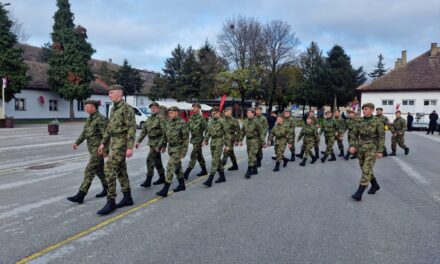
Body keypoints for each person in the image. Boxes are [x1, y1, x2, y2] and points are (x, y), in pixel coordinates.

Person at [97, 85, 136, 215]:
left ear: (119, 94)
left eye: (111, 93)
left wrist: (130, 147)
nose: (109, 95)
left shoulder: (127, 108)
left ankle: (111, 201)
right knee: (121, 171)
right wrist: (103, 143)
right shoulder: (113, 109)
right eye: (109, 93)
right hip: (114, 142)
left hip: (122, 144)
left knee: (108, 169)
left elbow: (131, 127)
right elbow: (109, 128)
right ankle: (127, 197)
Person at [67, 100, 108, 204]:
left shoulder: (100, 119)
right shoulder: (90, 118)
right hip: (92, 149)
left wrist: (105, 150)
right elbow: (85, 133)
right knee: (99, 171)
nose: (85, 108)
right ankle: (107, 188)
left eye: (88, 106)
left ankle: (81, 195)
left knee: (89, 171)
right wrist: (77, 142)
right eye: (85, 106)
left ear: (94, 107)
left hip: (98, 150)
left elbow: (106, 135)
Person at [349, 103, 385, 201]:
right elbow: (353, 134)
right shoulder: (359, 120)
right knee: (364, 168)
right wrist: (352, 145)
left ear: (372, 110)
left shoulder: (378, 121)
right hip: (361, 147)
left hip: (372, 147)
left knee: (366, 169)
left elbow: (381, 137)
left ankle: (359, 192)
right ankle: (375, 185)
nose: (364, 111)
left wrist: (380, 150)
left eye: (366, 109)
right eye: (363, 109)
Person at [156, 106, 190, 197]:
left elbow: (186, 139)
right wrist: (161, 145)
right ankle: (182, 184)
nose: (170, 115)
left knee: (170, 166)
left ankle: (165, 189)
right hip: (171, 148)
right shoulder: (169, 123)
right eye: (169, 113)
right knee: (178, 167)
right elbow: (164, 136)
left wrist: (183, 152)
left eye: (171, 113)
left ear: (177, 113)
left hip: (178, 149)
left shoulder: (182, 123)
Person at [135, 102, 167, 188]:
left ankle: (148, 180)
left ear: (158, 109)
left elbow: (165, 133)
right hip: (152, 142)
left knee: (150, 160)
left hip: (158, 142)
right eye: (152, 108)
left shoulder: (161, 119)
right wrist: (138, 141)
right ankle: (162, 177)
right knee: (157, 161)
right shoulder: (149, 119)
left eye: (155, 108)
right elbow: (144, 131)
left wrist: (163, 145)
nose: (153, 109)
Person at [202, 107, 231, 187]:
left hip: (219, 141)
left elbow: (227, 133)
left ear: (218, 113)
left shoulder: (222, 121)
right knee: (217, 160)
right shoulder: (211, 121)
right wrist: (206, 140)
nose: (213, 115)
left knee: (215, 160)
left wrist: (228, 145)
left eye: (214, 113)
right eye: (212, 113)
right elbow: (208, 131)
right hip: (213, 142)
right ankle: (222, 177)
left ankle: (210, 179)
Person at [239, 108, 266, 179]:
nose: (248, 114)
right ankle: (255, 169)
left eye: (249, 113)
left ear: (253, 114)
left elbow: (261, 132)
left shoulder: (257, 121)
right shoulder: (245, 121)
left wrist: (263, 142)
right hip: (248, 141)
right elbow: (242, 132)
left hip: (255, 141)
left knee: (251, 156)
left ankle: (249, 171)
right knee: (250, 155)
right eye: (247, 113)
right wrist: (240, 140)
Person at [183, 103, 208, 179]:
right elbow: (187, 128)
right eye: (193, 107)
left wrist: (206, 139)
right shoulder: (191, 118)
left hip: (199, 139)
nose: (194, 108)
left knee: (193, 155)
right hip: (193, 139)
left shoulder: (202, 118)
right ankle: (204, 170)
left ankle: (186, 173)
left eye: (196, 107)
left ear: (199, 109)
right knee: (199, 156)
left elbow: (207, 129)